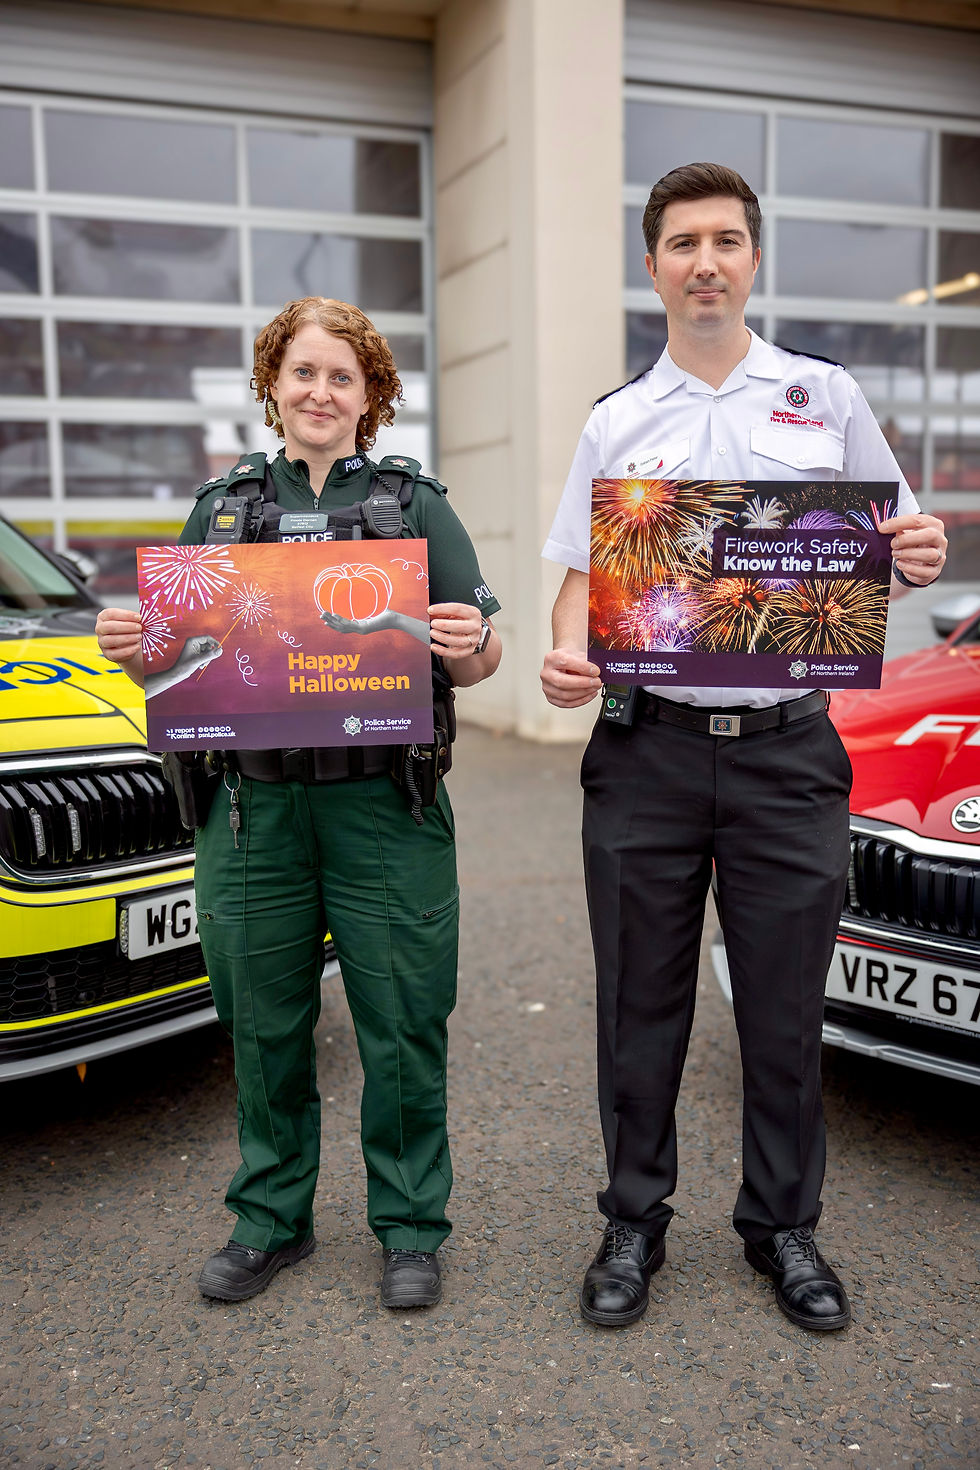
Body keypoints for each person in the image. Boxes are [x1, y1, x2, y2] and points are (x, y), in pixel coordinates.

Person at [540, 163, 947, 1333]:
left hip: (785, 755)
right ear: (654, 264)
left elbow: (896, 539)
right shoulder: (618, 420)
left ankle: (782, 1229)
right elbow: (578, 579)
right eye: (680, 242)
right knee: (639, 1001)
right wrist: (568, 656)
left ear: (751, 259)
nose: (703, 261)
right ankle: (632, 1219)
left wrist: (913, 553)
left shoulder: (823, 399)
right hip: (646, 755)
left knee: (780, 1008)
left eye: (723, 239)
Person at [96, 297, 501, 1309]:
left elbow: (485, 653)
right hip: (252, 816)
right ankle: (269, 1219)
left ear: (371, 396)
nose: (320, 393)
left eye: (342, 377)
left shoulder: (413, 507)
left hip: (382, 810)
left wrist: (471, 647)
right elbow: (176, 659)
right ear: (273, 384)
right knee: (261, 1019)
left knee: (402, 1020)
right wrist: (132, 646)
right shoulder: (222, 509)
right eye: (303, 373)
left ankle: (409, 1225)